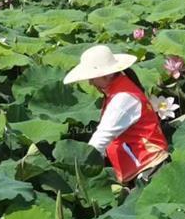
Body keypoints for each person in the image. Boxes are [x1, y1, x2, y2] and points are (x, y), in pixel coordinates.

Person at [63, 44, 170, 185]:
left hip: (150, 170)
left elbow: (101, 138)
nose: (90, 82)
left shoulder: (123, 98)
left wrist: (78, 171)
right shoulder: (118, 91)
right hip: (143, 170)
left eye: (92, 77)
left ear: (106, 75)